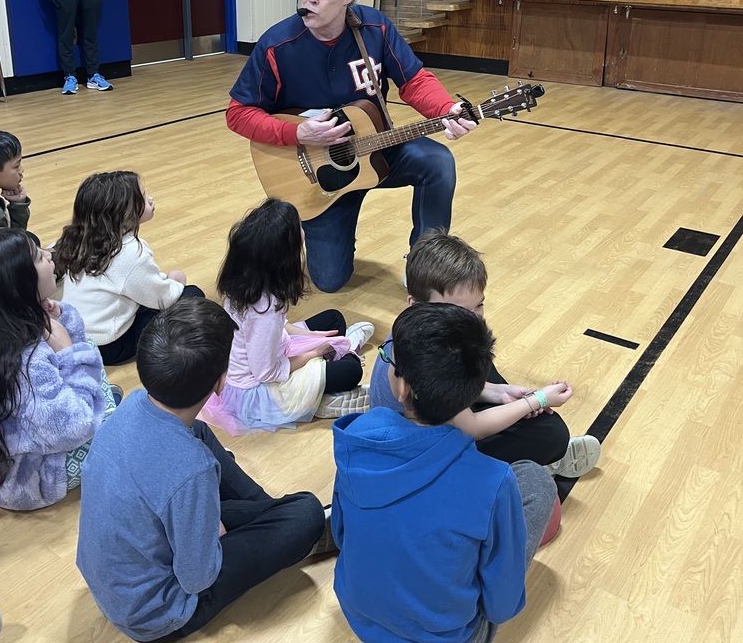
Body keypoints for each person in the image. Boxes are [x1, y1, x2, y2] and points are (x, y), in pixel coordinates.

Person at [77, 297, 332, 642]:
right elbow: (197, 578)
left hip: (119, 577)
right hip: (158, 615)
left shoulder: (135, 402)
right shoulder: (190, 471)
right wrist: (212, 528)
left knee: (197, 431)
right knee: (308, 514)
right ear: (220, 383)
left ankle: (269, 516)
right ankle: (276, 521)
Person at [225, 0, 476, 293]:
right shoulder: (276, 45)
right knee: (329, 281)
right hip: (320, 173)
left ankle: (426, 267)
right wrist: (297, 134)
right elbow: (238, 114)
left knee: (438, 162)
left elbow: (414, 79)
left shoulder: (375, 28)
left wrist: (446, 109)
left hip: (378, 148)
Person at [332, 302, 559, 643]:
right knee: (537, 480)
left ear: (402, 388)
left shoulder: (357, 437)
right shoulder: (492, 482)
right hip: (449, 637)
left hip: (362, 620)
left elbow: (339, 535)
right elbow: (501, 607)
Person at [370, 230, 601, 477]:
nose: (473, 319)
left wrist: (501, 392)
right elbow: (471, 428)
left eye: (478, 305)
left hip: (440, 412)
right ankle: (526, 469)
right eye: (457, 310)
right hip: (421, 454)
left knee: (480, 357)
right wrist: (537, 400)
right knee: (551, 435)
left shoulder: (416, 330)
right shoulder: (423, 356)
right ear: (415, 305)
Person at [199, 198, 375, 434]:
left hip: (266, 352)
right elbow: (266, 373)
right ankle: (316, 400)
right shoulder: (267, 308)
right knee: (351, 369)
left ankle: (338, 353)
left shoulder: (245, 280)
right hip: (259, 390)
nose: (304, 231)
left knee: (334, 320)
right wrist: (315, 351)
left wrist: (312, 335)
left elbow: (277, 328)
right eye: (299, 228)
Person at [0, 230, 113, 511]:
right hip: (32, 480)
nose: (49, 257)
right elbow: (76, 426)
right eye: (39, 257)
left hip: (4, 465)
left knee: (102, 389)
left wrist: (60, 318)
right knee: (127, 417)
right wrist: (68, 352)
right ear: (19, 284)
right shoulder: (27, 362)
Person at [53, 171, 204, 365]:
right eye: (143, 197)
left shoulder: (76, 238)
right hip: (111, 346)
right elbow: (162, 299)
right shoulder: (129, 251)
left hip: (75, 333)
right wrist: (175, 281)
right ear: (123, 215)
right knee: (192, 295)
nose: (150, 199)